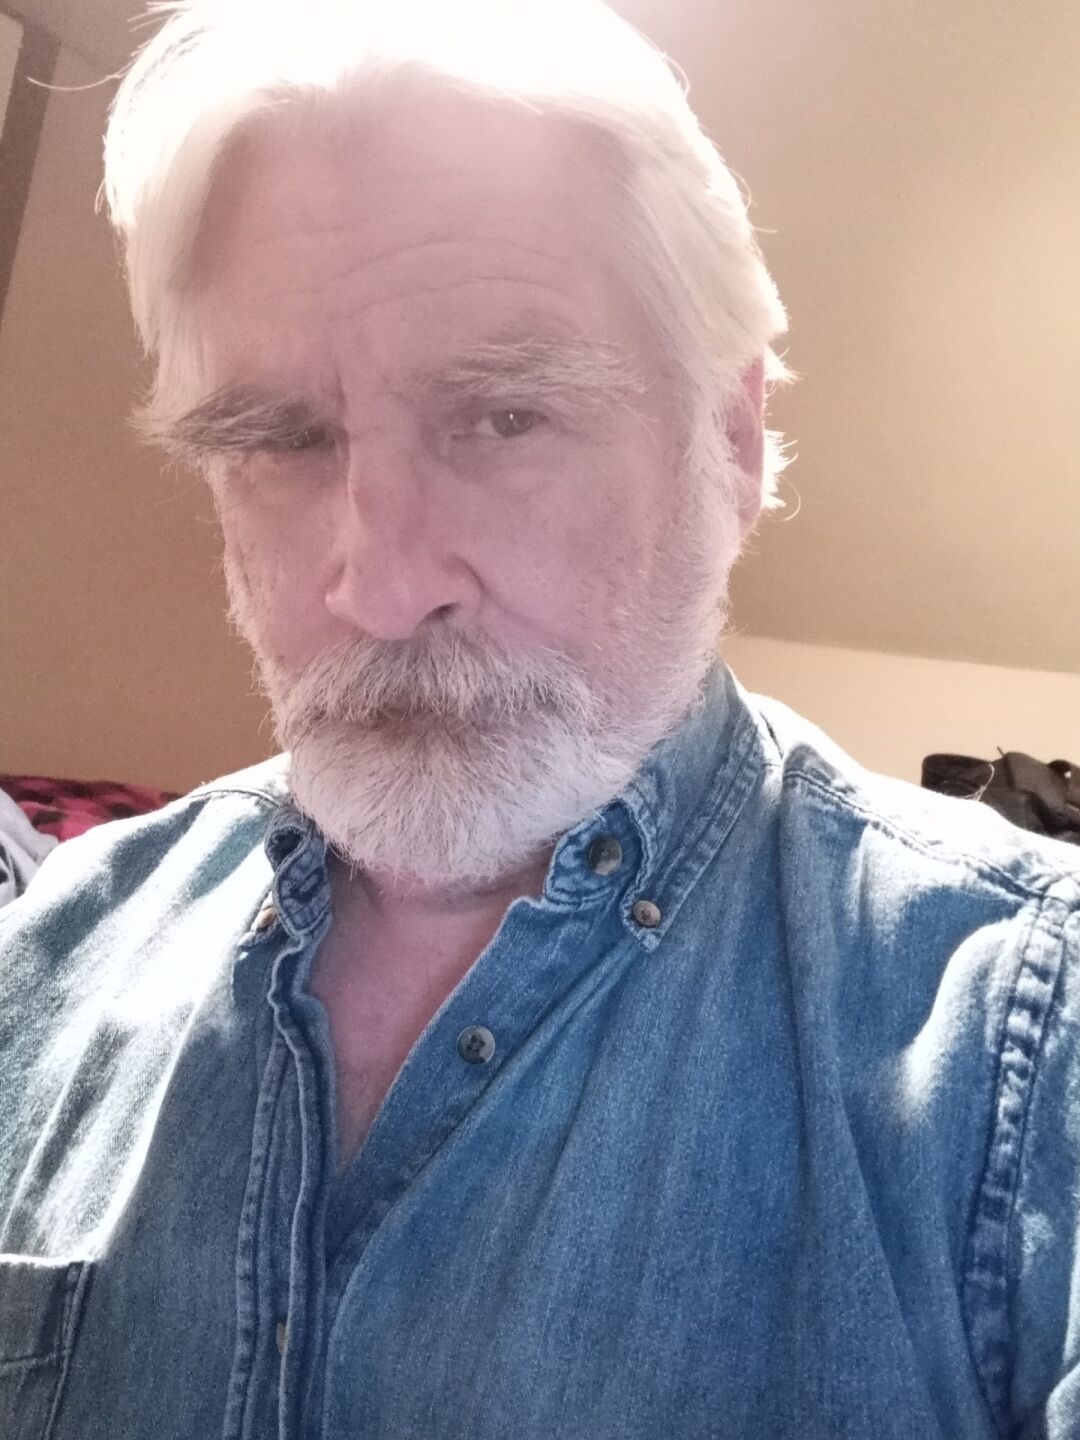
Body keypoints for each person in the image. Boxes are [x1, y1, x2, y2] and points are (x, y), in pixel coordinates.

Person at [1, 1, 1078, 1436]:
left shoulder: (1026, 1040)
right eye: (284, 440)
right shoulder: (53, 952)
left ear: (732, 442)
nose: (381, 587)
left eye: (505, 418)